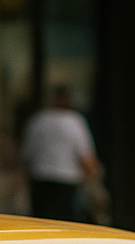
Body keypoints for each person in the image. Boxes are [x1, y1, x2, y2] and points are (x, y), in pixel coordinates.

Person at [21, 85, 100, 220]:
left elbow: (27, 156)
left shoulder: (38, 120)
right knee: (65, 224)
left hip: (41, 181)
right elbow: (86, 157)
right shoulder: (74, 121)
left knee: (41, 223)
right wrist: (96, 180)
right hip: (66, 182)